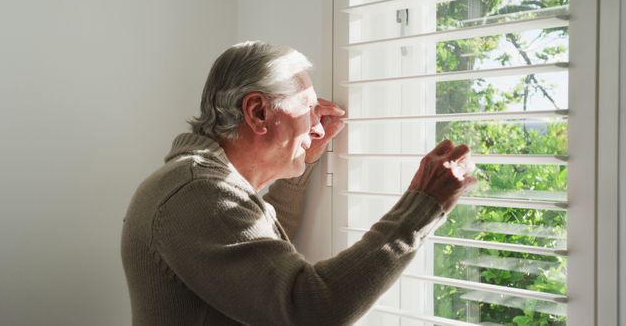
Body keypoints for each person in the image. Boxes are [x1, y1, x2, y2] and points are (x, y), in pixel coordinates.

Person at [121, 41, 476, 326]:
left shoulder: (194, 182)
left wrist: (301, 159)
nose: (319, 126)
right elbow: (310, 309)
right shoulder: (197, 192)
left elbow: (260, 255)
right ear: (258, 112)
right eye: (307, 108)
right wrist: (421, 206)